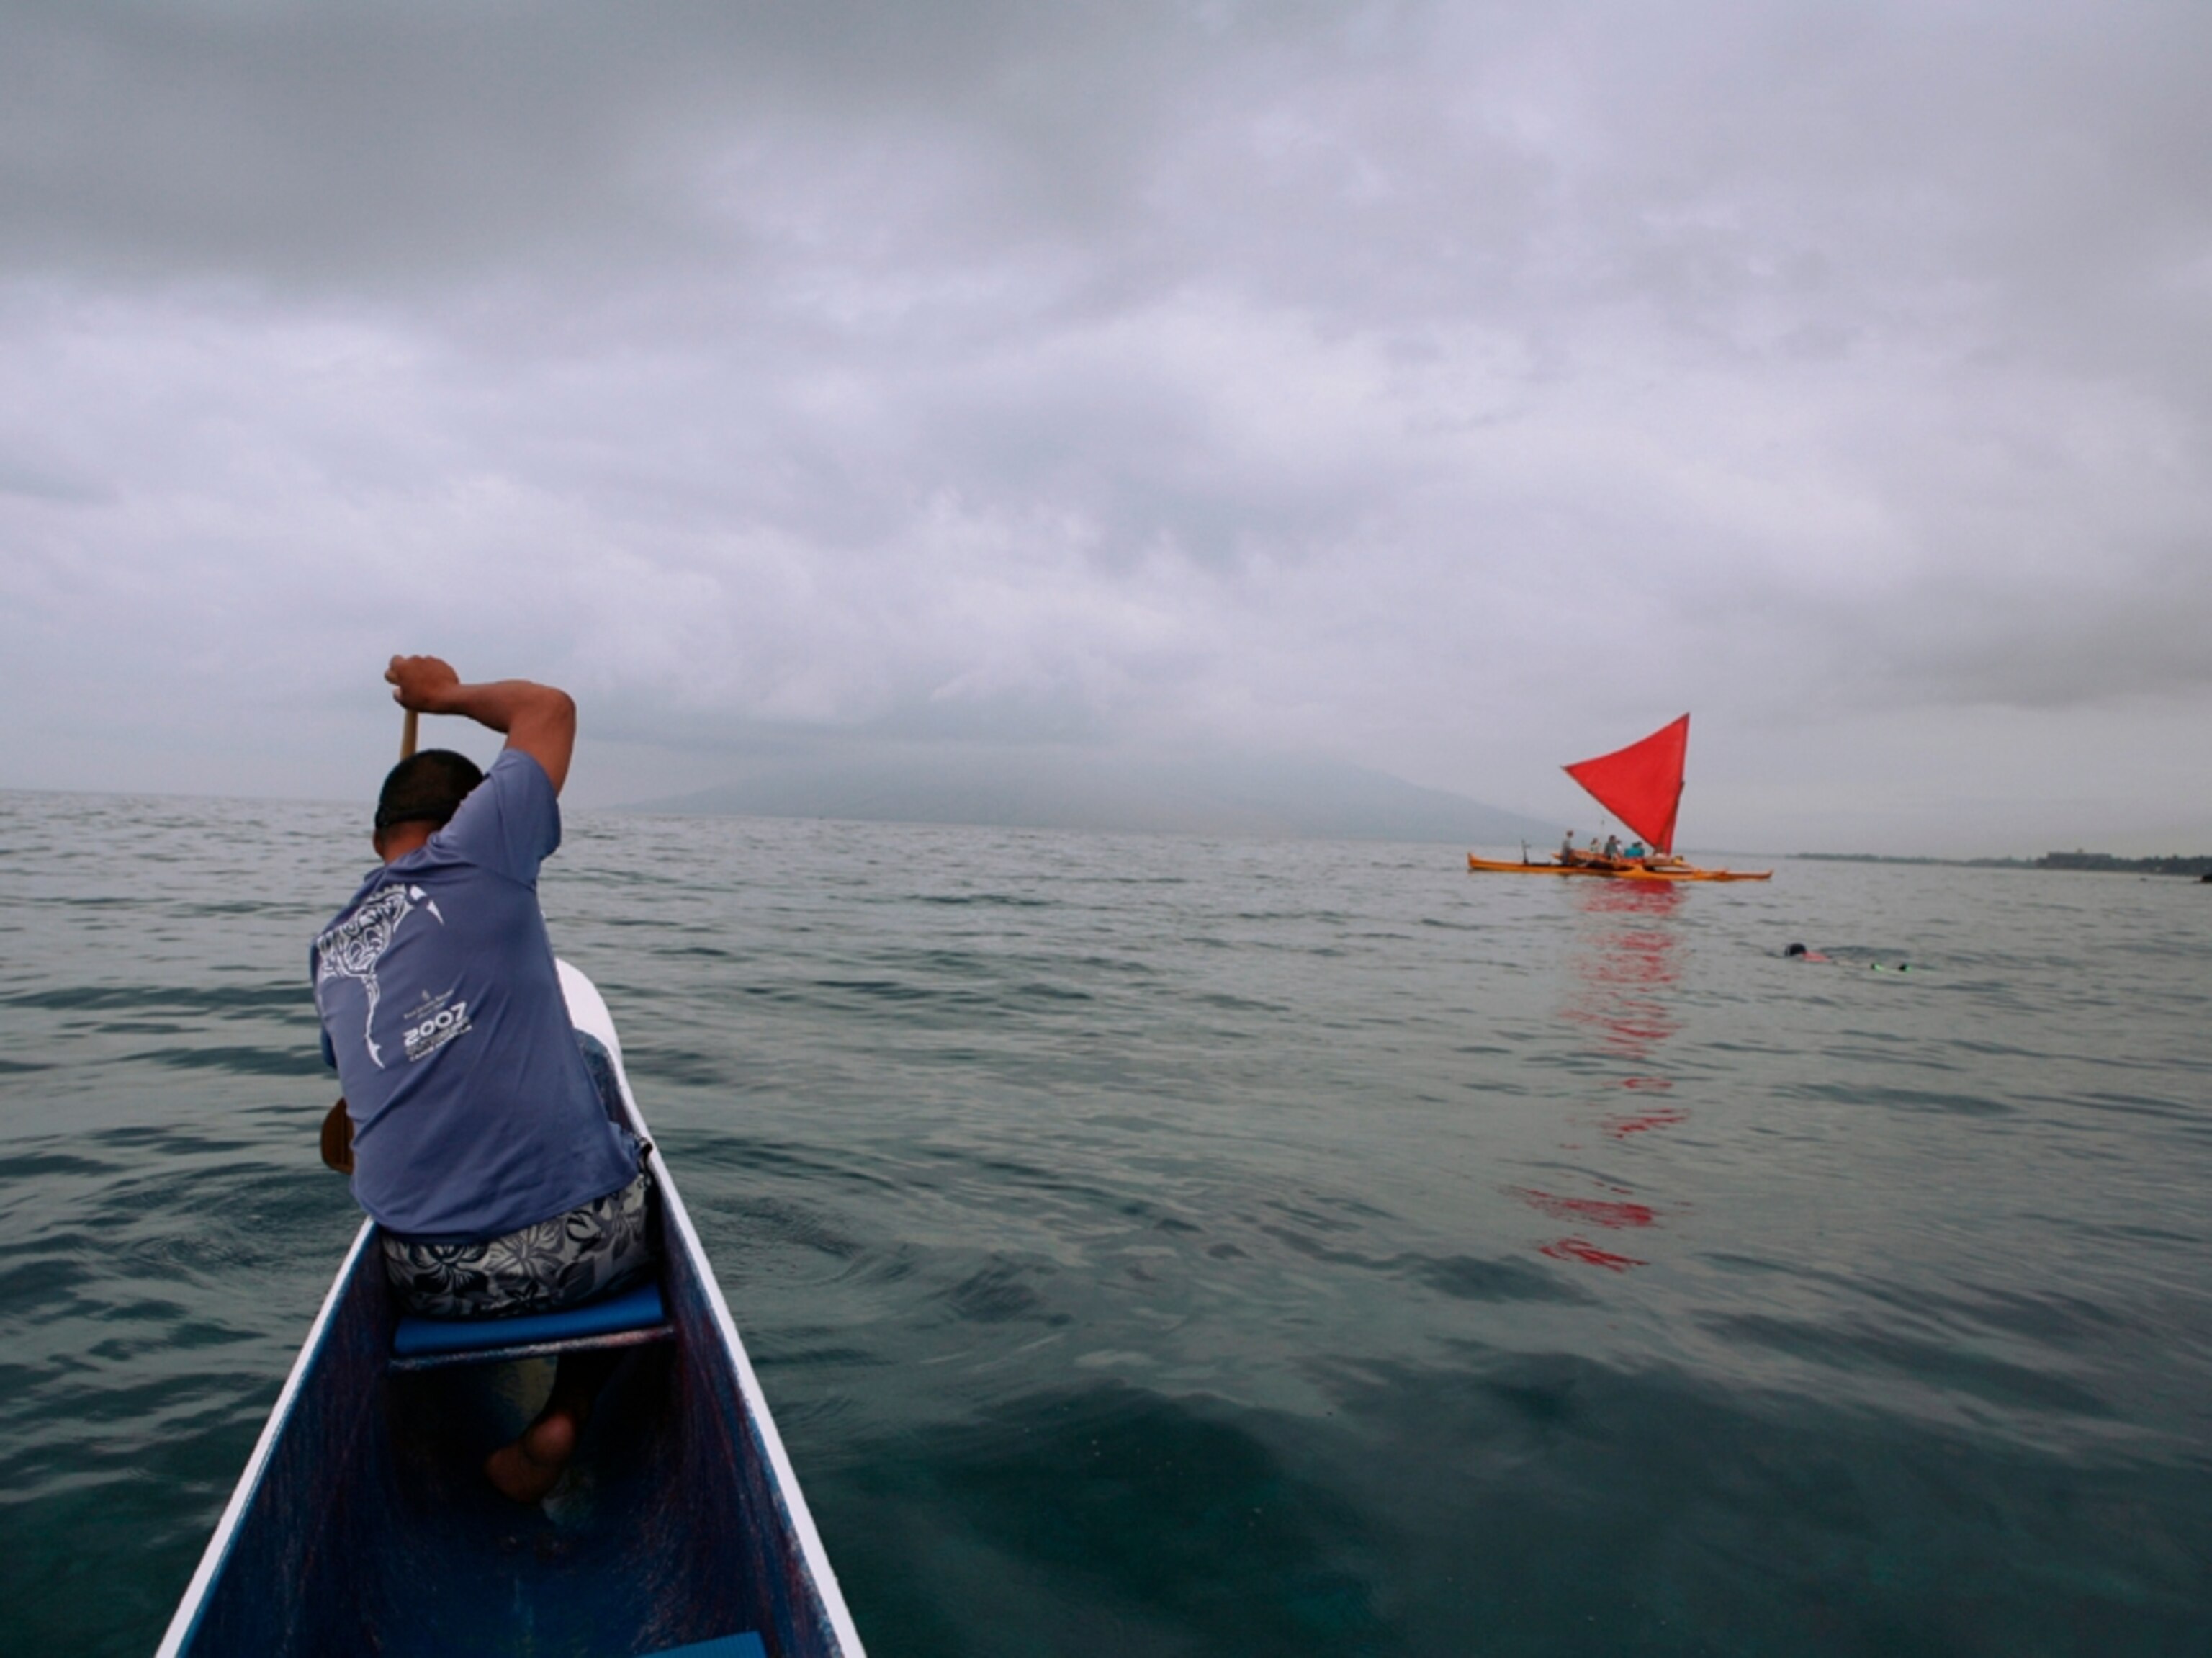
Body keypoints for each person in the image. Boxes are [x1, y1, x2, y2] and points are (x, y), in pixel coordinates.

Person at [312, 655, 653, 1503]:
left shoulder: (328, 951)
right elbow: (550, 707)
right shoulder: (481, 848)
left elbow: (356, 1103)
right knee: (620, 1152)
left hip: (432, 1279)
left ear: (375, 841)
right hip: (586, 1253)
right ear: (477, 813)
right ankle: (568, 1408)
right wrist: (444, 699)